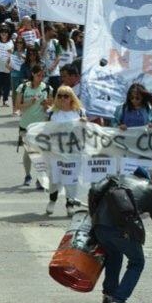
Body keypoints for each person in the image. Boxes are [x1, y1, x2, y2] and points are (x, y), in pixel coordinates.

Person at [88, 167, 152, 303]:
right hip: (120, 230)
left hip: (99, 226)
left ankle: (109, 295)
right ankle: (118, 302)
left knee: (114, 254)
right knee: (137, 262)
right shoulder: (151, 189)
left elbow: (93, 191)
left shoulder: (117, 178)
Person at [45, 85, 87, 216]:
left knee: (71, 178)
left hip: (73, 151)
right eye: (60, 96)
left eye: (66, 96)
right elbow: (45, 130)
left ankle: (70, 203)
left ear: (71, 98)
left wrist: (83, 123)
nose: (63, 99)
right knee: (54, 178)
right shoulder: (52, 112)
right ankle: (52, 200)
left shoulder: (80, 112)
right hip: (56, 151)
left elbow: (85, 132)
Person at [15, 65, 52, 188]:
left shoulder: (47, 88)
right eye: (38, 75)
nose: (41, 78)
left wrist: (46, 105)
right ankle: (27, 175)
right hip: (26, 124)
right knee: (28, 152)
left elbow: (51, 107)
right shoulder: (23, 87)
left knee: (41, 153)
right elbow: (17, 106)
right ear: (33, 74)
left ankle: (40, 179)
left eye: (43, 75)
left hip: (42, 125)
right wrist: (30, 102)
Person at [0, 25, 15, 107]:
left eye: (6, 32)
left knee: (7, 84)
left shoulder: (11, 42)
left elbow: (13, 53)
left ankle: (5, 100)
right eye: (2, 32)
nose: (4, 34)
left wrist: (11, 51)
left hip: (7, 67)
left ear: (8, 34)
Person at [42, 24, 62, 93]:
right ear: (47, 31)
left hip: (55, 73)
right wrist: (43, 48)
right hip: (43, 74)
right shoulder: (38, 41)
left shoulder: (56, 42)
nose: (54, 33)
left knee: (55, 94)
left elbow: (58, 56)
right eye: (53, 31)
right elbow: (37, 56)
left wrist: (52, 67)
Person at [10, 36, 28, 116]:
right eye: (17, 42)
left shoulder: (26, 51)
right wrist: (8, 66)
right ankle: (15, 108)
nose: (19, 44)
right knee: (15, 92)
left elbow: (29, 60)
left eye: (21, 42)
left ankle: (21, 108)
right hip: (14, 74)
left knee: (23, 92)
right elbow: (8, 62)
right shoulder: (13, 52)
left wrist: (22, 56)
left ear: (23, 43)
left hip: (23, 74)